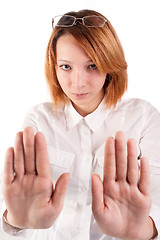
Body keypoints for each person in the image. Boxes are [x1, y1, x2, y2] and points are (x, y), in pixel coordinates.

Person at [1, 9, 160, 240]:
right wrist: (15, 220)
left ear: (110, 65)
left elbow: (157, 194)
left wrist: (143, 229)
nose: (78, 82)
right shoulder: (39, 118)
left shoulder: (143, 117)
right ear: (54, 67)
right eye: (66, 66)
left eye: (92, 65)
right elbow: (14, 197)